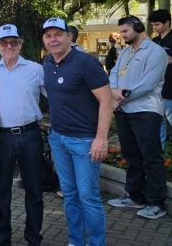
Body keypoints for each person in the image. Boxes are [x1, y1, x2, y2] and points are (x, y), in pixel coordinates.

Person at [42, 17, 112, 246]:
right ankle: (76, 241)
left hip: (84, 142)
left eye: (58, 34)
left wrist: (101, 139)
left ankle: (97, 243)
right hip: (58, 139)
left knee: (88, 196)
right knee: (69, 195)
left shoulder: (86, 63)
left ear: (69, 36)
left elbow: (106, 101)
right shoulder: (47, 63)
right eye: (48, 36)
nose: (53, 40)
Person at [0, 24, 46, 246]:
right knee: (2, 189)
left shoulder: (36, 69)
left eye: (14, 42)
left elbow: (56, 97)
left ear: (20, 44)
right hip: (2, 138)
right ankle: (2, 234)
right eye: (4, 42)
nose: (10, 46)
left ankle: (33, 236)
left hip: (30, 135)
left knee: (34, 188)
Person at [107, 16, 169, 219]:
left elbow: (148, 83)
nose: (122, 35)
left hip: (146, 112)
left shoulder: (156, 52)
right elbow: (114, 73)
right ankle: (135, 196)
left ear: (138, 27)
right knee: (132, 157)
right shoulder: (125, 51)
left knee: (150, 158)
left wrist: (120, 97)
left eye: (125, 31)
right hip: (125, 112)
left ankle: (156, 203)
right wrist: (115, 91)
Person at [149, 9, 172, 160]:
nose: (155, 28)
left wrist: (155, 54)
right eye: (153, 25)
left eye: (157, 24)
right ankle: (159, 149)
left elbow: (171, 60)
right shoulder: (154, 41)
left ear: (167, 22)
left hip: (171, 87)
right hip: (155, 89)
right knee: (157, 119)